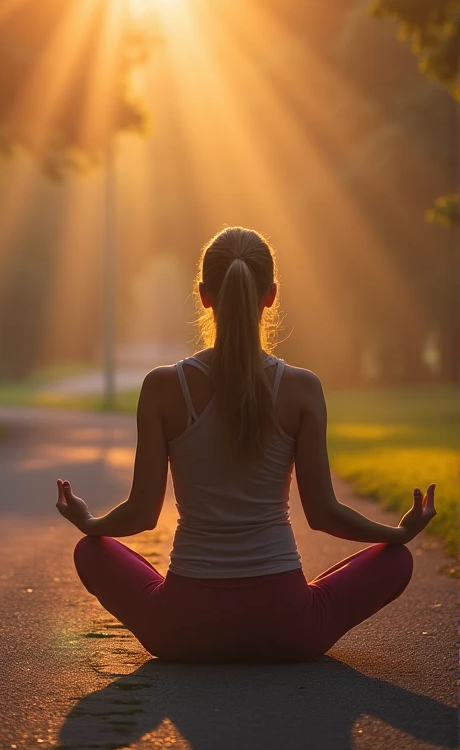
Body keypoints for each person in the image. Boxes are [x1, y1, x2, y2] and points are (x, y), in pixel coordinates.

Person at [55, 226, 436, 663]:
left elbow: (142, 515)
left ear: (203, 294)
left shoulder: (162, 387)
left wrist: (90, 523)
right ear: (271, 295)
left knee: (91, 552)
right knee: (397, 561)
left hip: (182, 631)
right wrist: (398, 533)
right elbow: (324, 514)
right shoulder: (301, 388)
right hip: (288, 628)